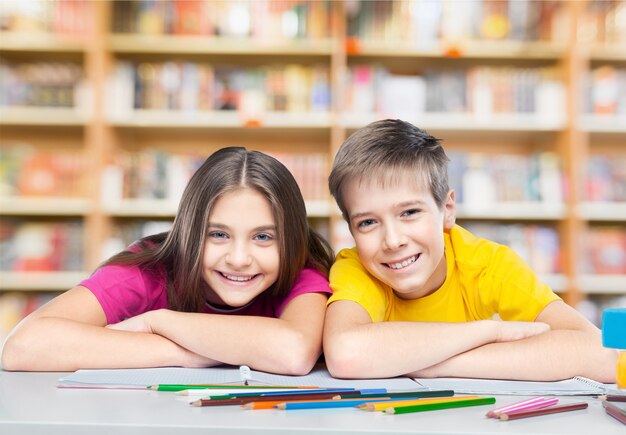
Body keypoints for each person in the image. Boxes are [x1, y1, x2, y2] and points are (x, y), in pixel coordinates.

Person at [323, 119, 616, 382]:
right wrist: (488, 333)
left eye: (410, 212)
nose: (393, 240)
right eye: (368, 222)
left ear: (447, 209)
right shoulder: (355, 268)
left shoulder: (487, 264)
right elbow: (345, 353)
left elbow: (603, 354)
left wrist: (437, 362)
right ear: (351, 230)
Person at [2, 147, 334, 374]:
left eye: (263, 237)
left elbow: (295, 352)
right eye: (217, 235)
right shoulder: (148, 272)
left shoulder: (300, 272)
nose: (239, 259)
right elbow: (23, 347)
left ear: (290, 240)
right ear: (190, 231)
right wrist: (185, 353)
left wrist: (158, 322)